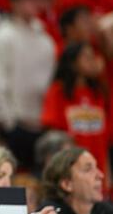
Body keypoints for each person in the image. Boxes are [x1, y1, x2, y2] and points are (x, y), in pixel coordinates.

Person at [0, 0, 55, 171]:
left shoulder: (45, 39)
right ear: (15, 1)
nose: (34, 4)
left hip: (42, 123)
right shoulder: (3, 36)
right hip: (15, 125)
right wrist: (6, 121)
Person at [41, 42, 110, 195]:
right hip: (71, 172)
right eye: (87, 57)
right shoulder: (57, 92)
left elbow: (106, 140)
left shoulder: (98, 93)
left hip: (99, 169)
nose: (93, 61)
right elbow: (54, 138)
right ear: (72, 62)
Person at [40, 147, 113, 214]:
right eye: (88, 169)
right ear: (67, 184)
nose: (100, 175)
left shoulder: (107, 213)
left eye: (96, 167)